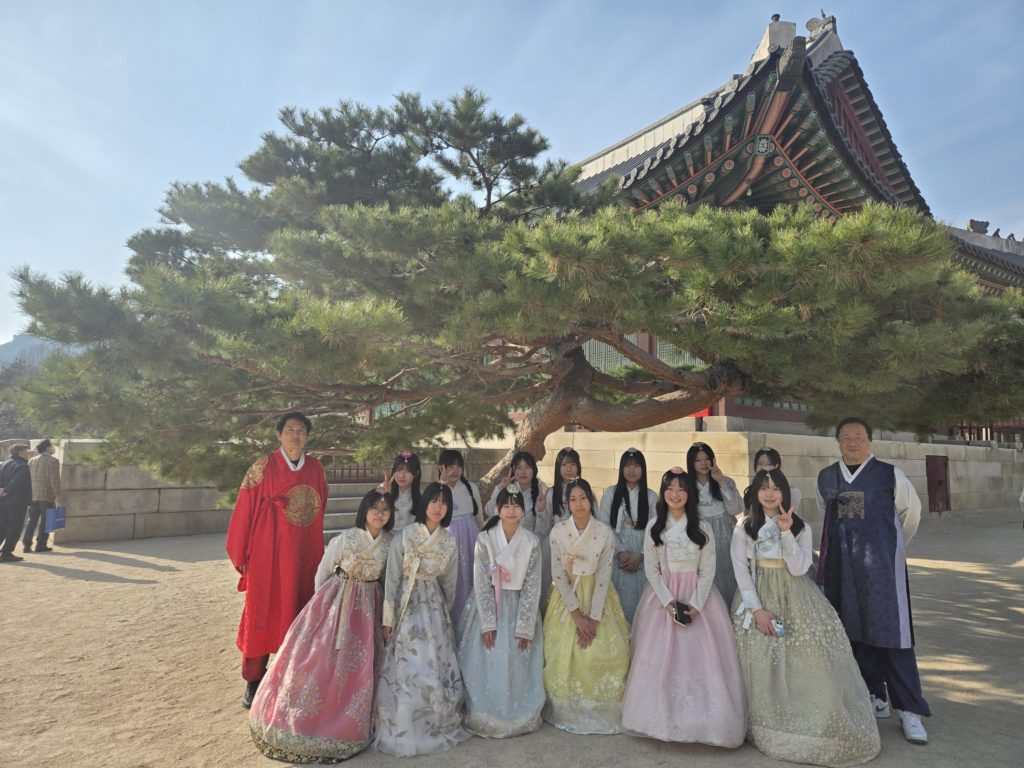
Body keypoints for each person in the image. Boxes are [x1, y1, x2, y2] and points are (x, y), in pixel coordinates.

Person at [733, 469, 880, 766]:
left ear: (785, 492)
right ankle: (765, 721)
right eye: (764, 488)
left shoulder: (801, 527)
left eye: (776, 488)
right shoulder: (744, 527)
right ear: (756, 493)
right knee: (762, 658)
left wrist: (786, 532)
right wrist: (757, 610)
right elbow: (740, 570)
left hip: (796, 595)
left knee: (810, 657)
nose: (770, 493)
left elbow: (800, 568)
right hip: (758, 597)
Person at [249, 486, 395, 763]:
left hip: (369, 604)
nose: (379, 514)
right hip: (337, 599)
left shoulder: (390, 543)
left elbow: (388, 578)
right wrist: (321, 607)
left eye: (385, 510)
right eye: (375, 509)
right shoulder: (346, 538)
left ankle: (346, 722)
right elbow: (323, 571)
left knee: (359, 664)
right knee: (320, 659)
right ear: (364, 511)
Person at [817, 417, 931, 745]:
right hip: (843, 569)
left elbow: (911, 516)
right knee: (854, 632)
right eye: (846, 437)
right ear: (838, 442)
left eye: (859, 437)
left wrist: (890, 547)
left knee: (893, 636)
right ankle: (874, 695)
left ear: (870, 441)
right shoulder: (827, 477)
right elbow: (832, 519)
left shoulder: (890, 475)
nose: (852, 443)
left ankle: (909, 709)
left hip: (882, 569)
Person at [622, 467, 745, 747]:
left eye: (681, 489)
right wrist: (668, 602)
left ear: (689, 494)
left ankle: (705, 722)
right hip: (662, 599)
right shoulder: (655, 527)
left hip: (698, 598)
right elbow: (652, 570)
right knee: (660, 657)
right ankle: (658, 718)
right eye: (670, 488)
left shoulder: (701, 528)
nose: (675, 494)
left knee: (703, 658)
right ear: (663, 492)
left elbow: (708, 569)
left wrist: (697, 604)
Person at [225, 412, 328, 709]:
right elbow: (244, 510)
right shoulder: (262, 468)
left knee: (300, 611)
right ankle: (254, 680)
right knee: (261, 615)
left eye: (301, 430)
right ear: (279, 435)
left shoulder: (316, 469)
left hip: (304, 553)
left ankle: (293, 676)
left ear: (307, 436)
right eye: (290, 430)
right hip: (267, 554)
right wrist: (242, 554)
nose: (295, 435)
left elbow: (320, 506)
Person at [375, 482, 470, 756]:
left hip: (434, 607)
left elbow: (449, 583)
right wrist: (388, 618)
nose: (438, 507)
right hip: (406, 603)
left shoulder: (448, 541)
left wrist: (445, 616)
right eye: (434, 501)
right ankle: (405, 717)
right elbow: (392, 579)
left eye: (444, 502)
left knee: (434, 662)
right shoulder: (405, 536)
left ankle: (433, 718)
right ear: (424, 503)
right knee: (407, 663)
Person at [543, 478, 630, 735]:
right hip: (567, 595)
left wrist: (593, 618)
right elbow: (558, 573)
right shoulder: (558, 532)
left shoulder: (604, 533)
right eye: (573, 499)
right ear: (567, 503)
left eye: (583, 498)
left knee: (610, 653)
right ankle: (564, 706)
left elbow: (604, 575)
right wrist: (577, 615)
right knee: (561, 651)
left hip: (597, 595)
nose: (578, 504)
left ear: (591, 500)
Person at [457, 483, 545, 738]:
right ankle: (485, 710)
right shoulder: (485, 539)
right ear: (497, 509)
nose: (511, 511)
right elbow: (480, 581)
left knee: (518, 657)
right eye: (506, 506)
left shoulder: (531, 541)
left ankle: (517, 710)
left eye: (516, 506)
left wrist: (525, 625)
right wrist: (488, 622)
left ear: (523, 510)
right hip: (489, 604)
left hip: (518, 605)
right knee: (488, 655)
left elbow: (532, 584)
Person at [596, 448, 657, 624]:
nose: (632, 470)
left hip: (642, 554)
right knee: (616, 601)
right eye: (628, 465)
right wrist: (620, 551)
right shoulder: (610, 493)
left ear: (643, 469)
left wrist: (641, 554)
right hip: (616, 553)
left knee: (642, 602)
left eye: (636, 466)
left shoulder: (651, 496)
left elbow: (656, 529)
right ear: (621, 468)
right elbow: (604, 526)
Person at [687, 442, 742, 606]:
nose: (703, 463)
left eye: (707, 458)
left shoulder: (726, 481)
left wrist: (721, 482)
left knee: (728, 575)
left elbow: (735, 509)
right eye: (698, 460)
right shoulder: (686, 484)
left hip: (725, 535)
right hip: (698, 537)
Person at [437, 448, 484, 626]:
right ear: (441, 467)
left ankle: (471, 623)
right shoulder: (437, 489)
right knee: (451, 580)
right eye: (450, 466)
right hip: (447, 539)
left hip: (471, 537)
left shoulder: (471, 488)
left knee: (471, 578)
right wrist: (441, 486)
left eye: (459, 466)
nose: (455, 470)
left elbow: (479, 519)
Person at [539, 447, 582, 607]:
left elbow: (594, 518)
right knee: (554, 586)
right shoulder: (551, 493)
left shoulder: (585, 490)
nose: (568, 469)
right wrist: (542, 510)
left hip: (580, 545)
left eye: (572, 464)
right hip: (555, 547)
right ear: (558, 468)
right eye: (564, 465)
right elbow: (544, 528)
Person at [484, 451, 548, 532]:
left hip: (528, 538)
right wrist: (501, 488)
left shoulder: (542, 492)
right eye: (519, 468)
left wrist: (542, 511)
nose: (523, 472)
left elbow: (544, 530)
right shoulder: (506, 488)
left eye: (527, 467)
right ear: (513, 470)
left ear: (534, 470)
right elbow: (489, 511)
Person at [23, 438, 60, 553]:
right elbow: (54, 480)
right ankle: (41, 545)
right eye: (52, 446)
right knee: (45, 521)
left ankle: (26, 545)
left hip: (33, 495)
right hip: (47, 495)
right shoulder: (53, 461)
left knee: (31, 521)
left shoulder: (31, 460)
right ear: (48, 448)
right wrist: (58, 495)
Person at [0, 444, 33, 563]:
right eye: (26, 451)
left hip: (3, 500)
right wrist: (7, 490)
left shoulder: (4, 463)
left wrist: (2, 491)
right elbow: (17, 481)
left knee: (2, 526)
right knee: (15, 527)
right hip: (17, 501)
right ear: (20, 452)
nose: (28, 453)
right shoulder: (22, 466)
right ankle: (6, 553)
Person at [745, 447, 801, 513]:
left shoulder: (792, 492)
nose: (764, 467)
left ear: (777, 466)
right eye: (760, 464)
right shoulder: (750, 490)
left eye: (769, 464)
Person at [389, 451, 421, 531]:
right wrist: (383, 495)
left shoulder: (422, 496)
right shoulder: (385, 491)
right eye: (399, 470)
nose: (402, 475)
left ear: (416, 473)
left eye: (408, 471)